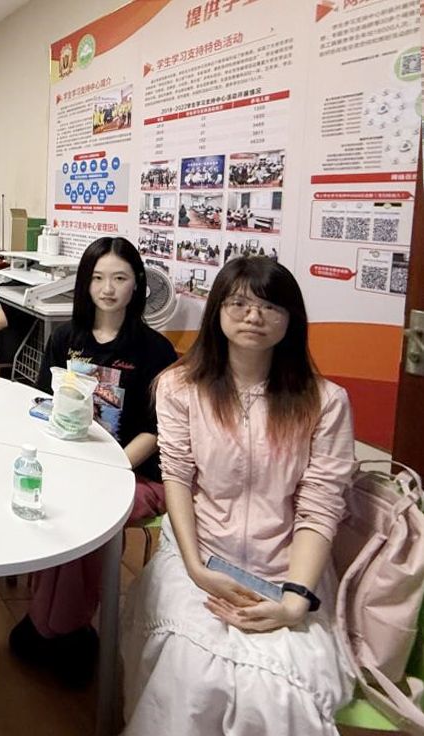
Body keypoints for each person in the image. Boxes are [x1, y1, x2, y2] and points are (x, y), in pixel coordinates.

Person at [121, 257, 356, 735]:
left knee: (278, 689)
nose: (253, 316)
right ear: (218, 311)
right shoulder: (180, 387)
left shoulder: (325, 402)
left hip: (288, 565)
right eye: (240, 303)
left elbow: (319, 507)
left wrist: (295, 600)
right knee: (190, 671)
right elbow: (177, 478)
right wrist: (195, 568)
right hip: (200, 551)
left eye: (269, 306)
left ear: (291, 319)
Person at [8, 237, 177, 687]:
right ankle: (51, 619)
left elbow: (157, 430)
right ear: (84, 283)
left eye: (119, 278)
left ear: (137, 284)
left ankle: (58, 625)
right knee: (41, 498)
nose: (108, 288)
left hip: (133, 473)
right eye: (98, 278)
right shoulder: (67, 338)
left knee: (83, 514)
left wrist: (110, 468)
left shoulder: (156, 351)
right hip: (70, 462)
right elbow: (42, 405)